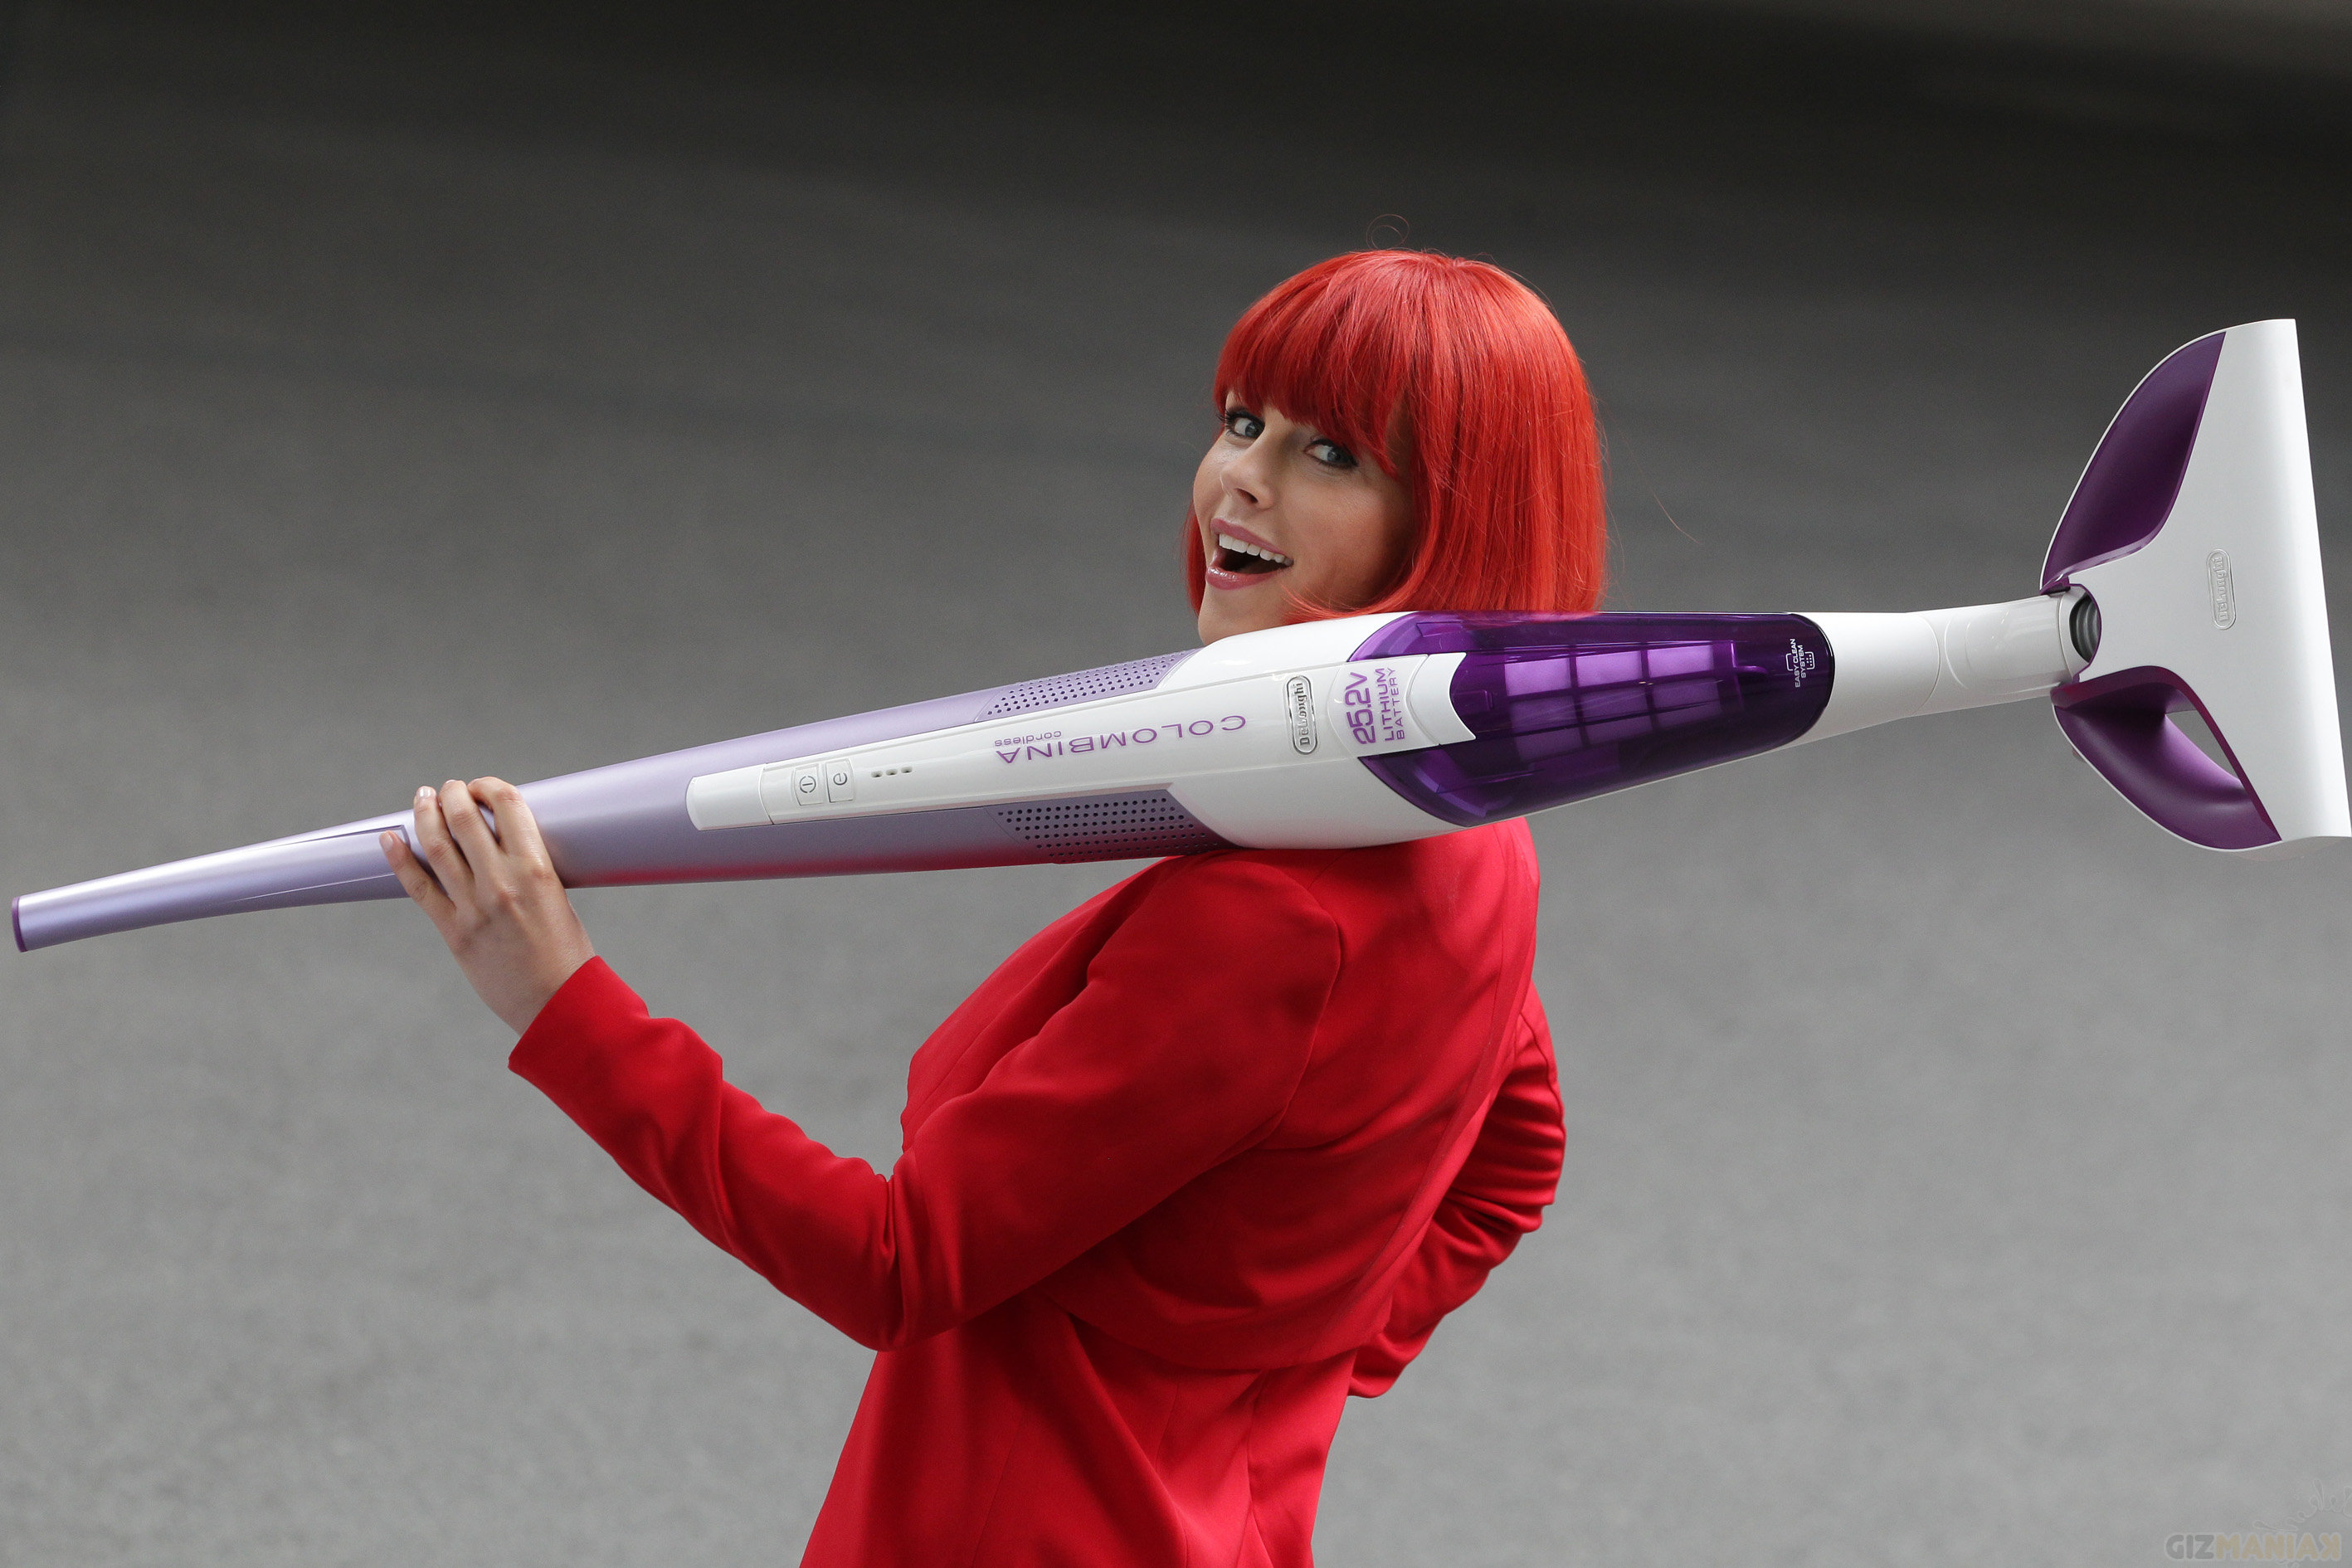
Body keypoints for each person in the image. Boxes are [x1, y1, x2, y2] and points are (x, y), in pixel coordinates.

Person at [379, 249, 1606, 1566]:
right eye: (1243, 419)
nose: (1239, 477)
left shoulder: (1271, 922)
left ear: (1450, 526)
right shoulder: (1478, 835)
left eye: (1332, 454)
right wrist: (1283, 1356)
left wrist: (561, 1002)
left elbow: (894, 1261)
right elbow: (1519, 1154)